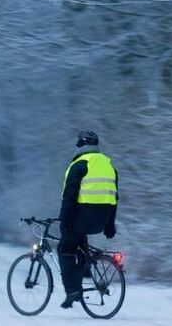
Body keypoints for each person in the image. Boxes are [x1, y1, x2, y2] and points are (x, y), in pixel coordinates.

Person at [58, 129, 118, 309]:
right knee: (79, 243)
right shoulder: (109, 166)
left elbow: (69, 197)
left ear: (81, 145)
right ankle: (84, 272)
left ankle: (73, 290)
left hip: (81, 218)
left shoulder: (79, 165)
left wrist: (64, 220)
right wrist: (110, 224)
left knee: (65, 249)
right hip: (101, 220)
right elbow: (114, 197)